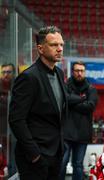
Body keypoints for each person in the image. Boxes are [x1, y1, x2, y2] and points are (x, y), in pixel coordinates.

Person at [9, 26, 67, 180]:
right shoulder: (28, 77)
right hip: (34, 157)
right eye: (54, 45)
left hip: (56, 153)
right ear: (40, 49)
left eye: (61, 44)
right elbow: (16, 120)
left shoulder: (60, 74)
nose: (60, 49)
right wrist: (35, 155)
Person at [60, 61, 98, 180]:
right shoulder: (65, 86)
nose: (79, 73)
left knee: (78, 165)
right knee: (62, 163)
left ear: (85, 72)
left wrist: (72, 103)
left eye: (82, 71)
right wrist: (82, 99)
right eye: (77, 71)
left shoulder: (91, 89)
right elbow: (64, 99)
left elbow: (90, 106)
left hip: (83, 133)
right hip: (66, 133)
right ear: (72, 72)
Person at [0, 63, 14, 177]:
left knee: (11, 154)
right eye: (3, 72)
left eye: (8, 72)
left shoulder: (16, 87)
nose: (5, 75)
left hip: (13, 129)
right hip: (1, 127)